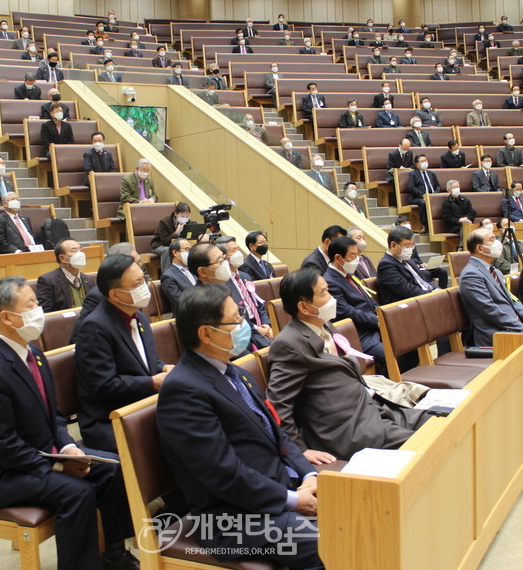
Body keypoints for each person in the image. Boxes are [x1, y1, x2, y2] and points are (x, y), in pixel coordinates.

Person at [0, 276, 137, 570]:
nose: (38, 310)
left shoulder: (33, 353)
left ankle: (113, 552)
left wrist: (68, 447)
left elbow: (54, 415)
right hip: (0, 473)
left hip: (42, 456)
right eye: (30, 304)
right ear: (7, 317)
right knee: (77, 492)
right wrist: (58, 465)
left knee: (115, 468)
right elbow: (0, 444)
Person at [156, 285, 323, 570]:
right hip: (229, 520)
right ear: (206, 333)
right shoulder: (184, 390)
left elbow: (276, 434)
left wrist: (308, 473)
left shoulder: (234, 371)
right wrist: (293, 500)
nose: (243, 325)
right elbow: (222, 473)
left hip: (275, 489)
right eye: (235, 320)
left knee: (368, 512)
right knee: (336, 544)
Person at [268, 267, 429, 462]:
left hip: (372, 408)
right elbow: (278, 404)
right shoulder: (289, 344)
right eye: (324, 293)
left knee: (437, 421)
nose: (331, 297)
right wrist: (299, 450)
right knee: (426, 444)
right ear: (304, 307)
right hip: (347, 430)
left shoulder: (324, 324)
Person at [75, 254, 171, 452]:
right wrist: (153, 382)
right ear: (115, 294)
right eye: (136, 284)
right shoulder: (95, 327)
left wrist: (163, 367)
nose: (144, 286)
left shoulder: (140, 318)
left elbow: (148, 363)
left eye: (144, 279)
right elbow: (104, 385)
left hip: (143, 406)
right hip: (108, 419)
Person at [458, 228, 523, 346]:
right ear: (480, 248)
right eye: (491, 240)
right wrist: (521, 327)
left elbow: (512, 300)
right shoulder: (471, 275)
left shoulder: (496, 271)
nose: (497, 243)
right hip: (495, 333)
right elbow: (489, 310)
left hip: (512, 326)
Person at [324, 236, 385, 372]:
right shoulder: (329, 281)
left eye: (357, 254)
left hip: (372, 325)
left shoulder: (349, 274)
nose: (356, 259)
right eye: (352, 255)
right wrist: (376, 320)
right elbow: (346, 312)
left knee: (407, 344)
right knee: (387, 354)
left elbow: (368, 299)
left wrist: (381, 312)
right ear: (339, 258)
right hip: (359, 332)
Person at [221, 238, 273, 350]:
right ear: (224, 257)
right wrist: (256, 328)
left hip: (261, 326)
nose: (238, 253)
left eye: (238, 249)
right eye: (233, 250)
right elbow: (234, 316)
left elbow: (258, 303)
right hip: (246, 331)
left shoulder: (245, 277)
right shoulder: (222, 284)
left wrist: (267, 324)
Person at [377, 224, 439, 307]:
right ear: (393, 245)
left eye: (412, 245)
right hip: (405, 306)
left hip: (421, 299)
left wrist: (436, 289)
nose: (410, 249)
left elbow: (422, 280)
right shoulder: (386, 265)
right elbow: (407, 290)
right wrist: (431, 295)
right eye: (407, 246)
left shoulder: (407, 260)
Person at [36, 238, 95, 314]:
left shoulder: (88, 279)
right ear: (62, 258)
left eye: (81, 250)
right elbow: (46, 314)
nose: (80, 254)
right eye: (74, 251)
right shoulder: (48, 281)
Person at [160, 238, 196, 312]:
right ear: (175, 253)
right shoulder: (168, 276)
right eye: (187, 249)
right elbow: (180, 302)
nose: (190, 253)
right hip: (187, 316)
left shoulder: (193, 270)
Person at [440, 180, 476, 248]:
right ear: (449, 190)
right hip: (454, 227)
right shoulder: (446, 203)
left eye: (458, 187)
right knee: (465, 228)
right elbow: (447, 218)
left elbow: (472, 213)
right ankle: (462, 247)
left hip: (467, 223)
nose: (457, 189)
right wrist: (459, 220)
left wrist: (466, 218)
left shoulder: (465, 200)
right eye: (454, 187)